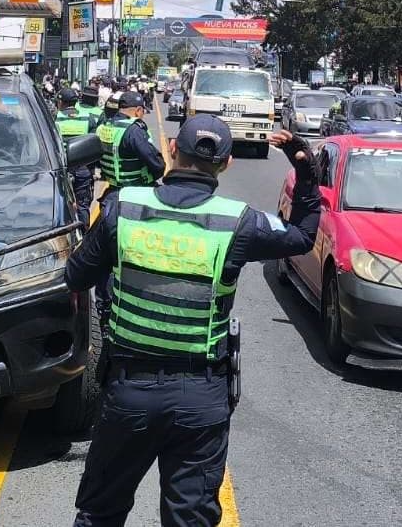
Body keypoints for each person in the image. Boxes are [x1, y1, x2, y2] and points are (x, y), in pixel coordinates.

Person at [65, 119, 322, 527]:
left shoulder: (123, 206)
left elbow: (75, 276)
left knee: (101, 512)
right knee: (190, 518)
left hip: (129, 391)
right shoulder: (238, 220)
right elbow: (302, 236)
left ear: (171, 148)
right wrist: (305, 170)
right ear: (226, 163)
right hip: (200, 397)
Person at [96, 90, 165, 197]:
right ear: (138, 110)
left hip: (112, 191)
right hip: (136, 191)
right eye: (143, 112)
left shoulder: (102, 127)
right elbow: (156, 163)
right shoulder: (134, 130)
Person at [56, 87, 97, 225]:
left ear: (61, 102)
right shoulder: (88, 118)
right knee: (83, 206)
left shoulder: (55, 118)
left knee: (60, 204)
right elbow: (93, 145)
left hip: (62, 169)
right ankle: (84, 235)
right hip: (83, 169)